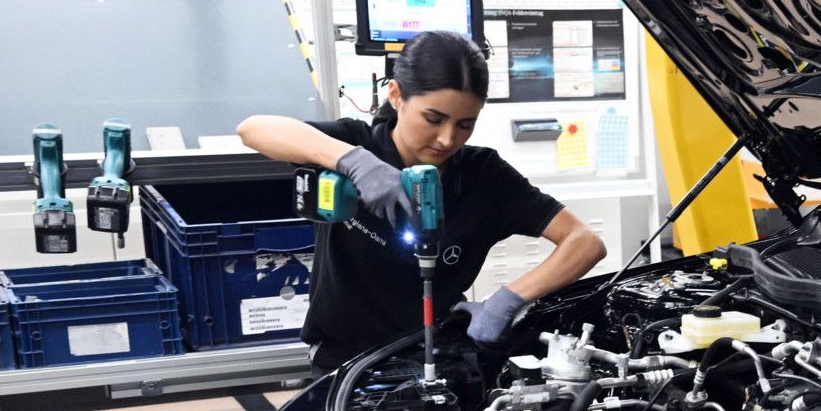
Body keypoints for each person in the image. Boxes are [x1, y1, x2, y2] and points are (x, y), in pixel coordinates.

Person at [236, 31, 605, 371]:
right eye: (433, 118)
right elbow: (252, 129)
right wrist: (353, 161)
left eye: (465, 123)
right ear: (396, 95)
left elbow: (584, 242)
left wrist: (508, 299)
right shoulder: (357, 142)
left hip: (436, 355)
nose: (447, 139)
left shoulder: (485, 176)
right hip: (344, 362)